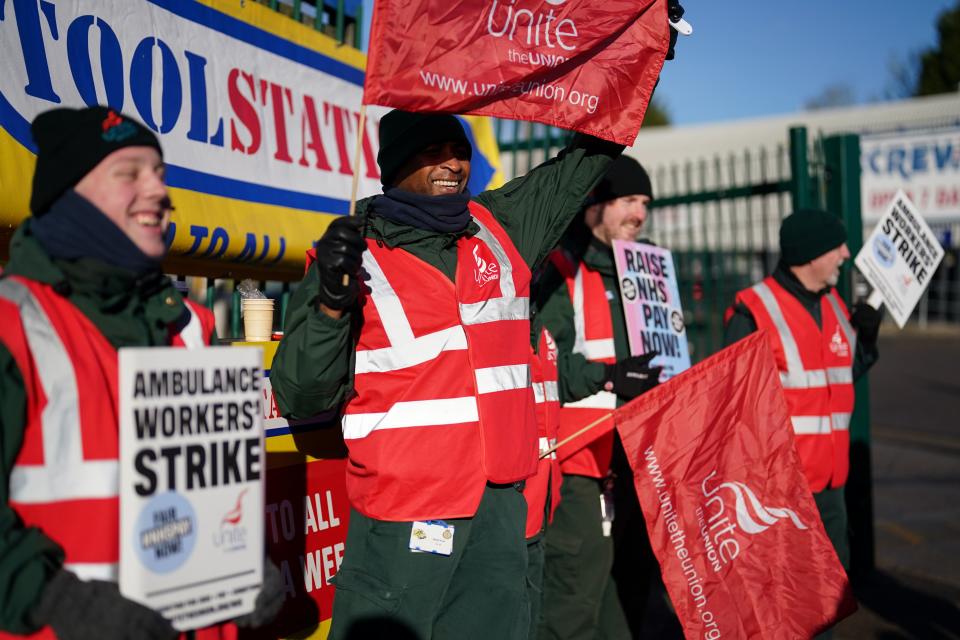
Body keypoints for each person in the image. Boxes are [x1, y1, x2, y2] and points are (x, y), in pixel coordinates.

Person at [270, 109, 624, 639]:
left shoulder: (503, 227)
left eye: (459, 152)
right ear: (395, 167)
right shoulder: (350, 251)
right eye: (431, 153)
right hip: (402, 520)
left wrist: (636, 56)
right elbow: (302, 393)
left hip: (500, 512)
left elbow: (584, 161)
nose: (452, 165)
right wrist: (330, 308)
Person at [0, 106, 282, 639]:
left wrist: (244, 562)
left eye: (160, 174)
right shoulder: (12, 324)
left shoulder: (192, 327)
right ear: (70, 196)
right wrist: (59, 599)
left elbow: (213, 489)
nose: (158, 191)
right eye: (129, 173)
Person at [536, 155, 664, 639]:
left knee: (627, 598)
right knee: (573, 602)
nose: (639, 214)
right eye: (628, 201)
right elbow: (547, 370)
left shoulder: (646, 273)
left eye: (645, 203)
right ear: (594, 205)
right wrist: (610, 376)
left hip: (637, 465)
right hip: (580, 468)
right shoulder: (560, 273)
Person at [724, 209, 882, 571]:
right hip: (780, 496)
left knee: (830, 605)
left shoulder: (833, 304)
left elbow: (836, 380)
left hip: (831, 490)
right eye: (836, 247)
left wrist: (867, 341)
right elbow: (733, 410)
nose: (845, 254)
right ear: (812, 254)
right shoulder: (753, 311)